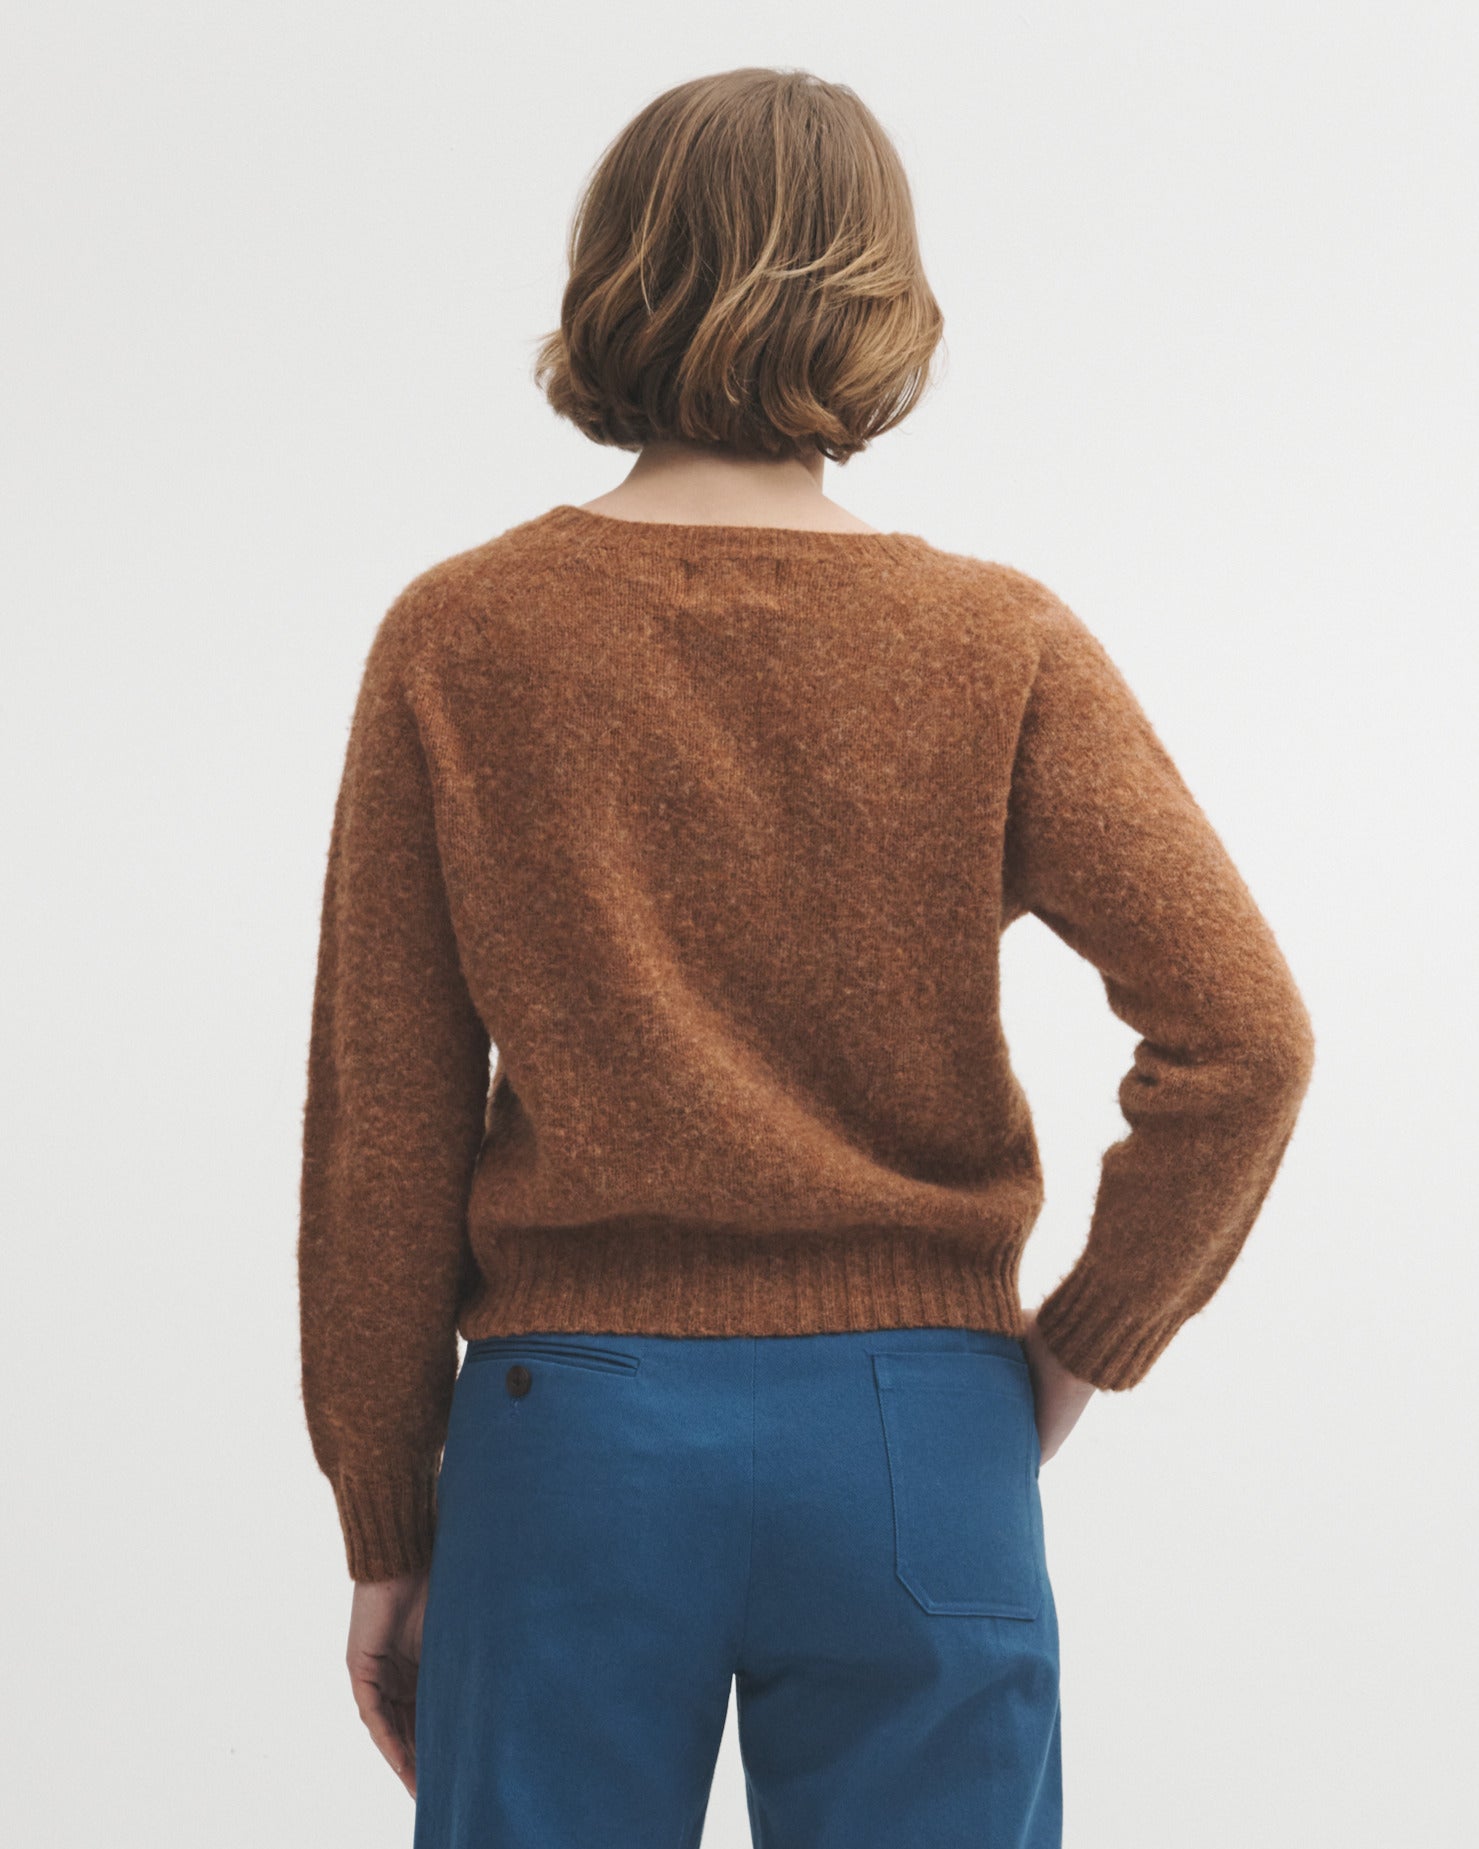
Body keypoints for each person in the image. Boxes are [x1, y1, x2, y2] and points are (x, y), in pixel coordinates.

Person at [297, 66, 1316, 1849]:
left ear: (612, 276)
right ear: (881, 304)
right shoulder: (995, 641)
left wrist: (387, 1520)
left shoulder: (461, 636)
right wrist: (1065, 1358)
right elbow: (1248, 1039)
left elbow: (385, 1120)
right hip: (921, 1434)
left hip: (572, 1439)